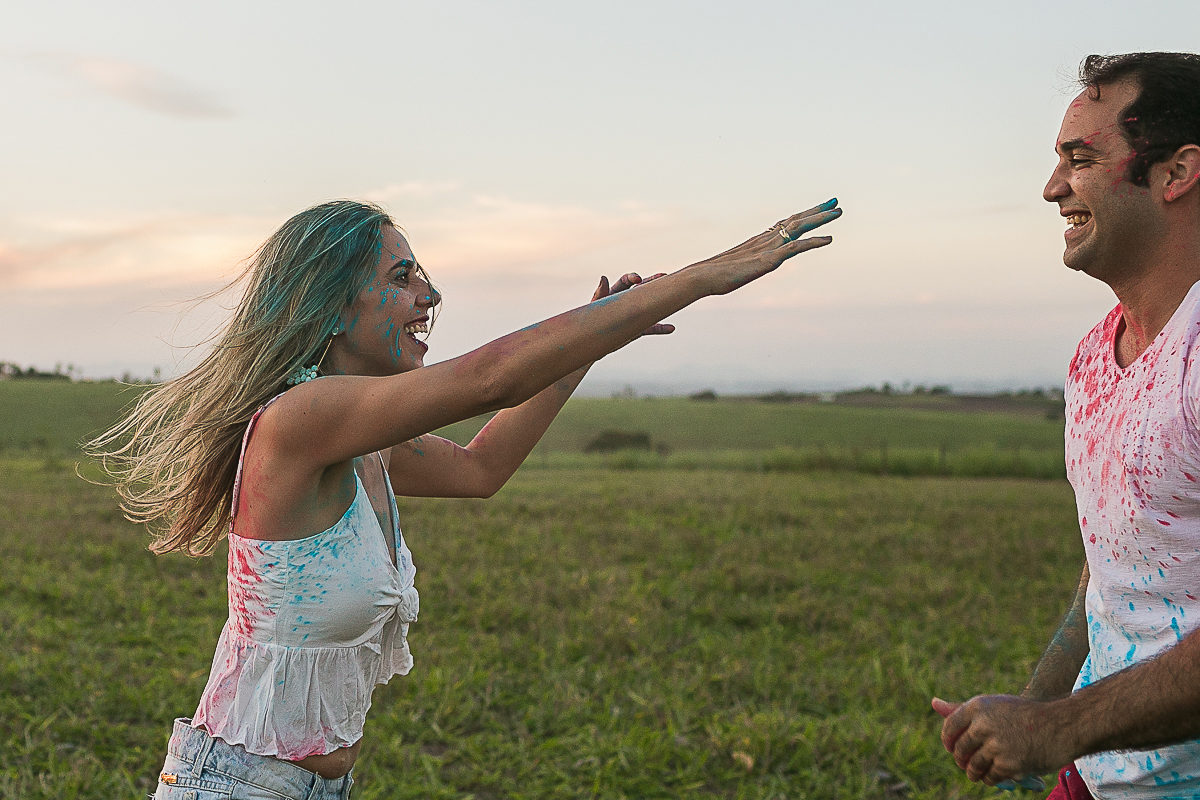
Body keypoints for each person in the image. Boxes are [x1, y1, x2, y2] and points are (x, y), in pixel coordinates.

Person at [90, 197, 841, 799]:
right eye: (401, 277)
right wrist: (702, 277)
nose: (431, 294)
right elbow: (489, 379)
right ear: (330, 306)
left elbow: (483, 466)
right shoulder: (300, 422)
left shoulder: (361, 445)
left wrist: (590, 349)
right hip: (238, 786)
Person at [931, 52, 1200, 799]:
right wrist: (1037, 711)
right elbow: (1109, 568)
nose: (1053, 188)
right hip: (1098, 775)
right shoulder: (1092, 357)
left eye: (1080, 160)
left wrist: (1058, 728)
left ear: (1176, 174)